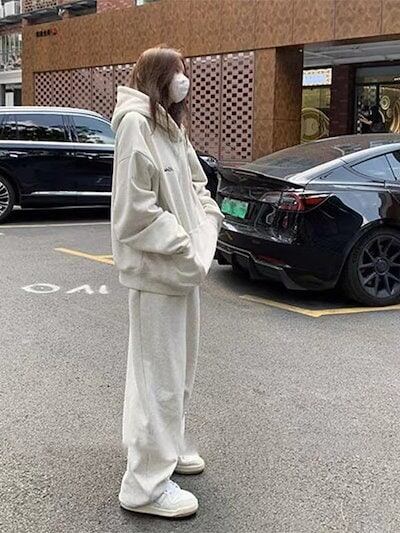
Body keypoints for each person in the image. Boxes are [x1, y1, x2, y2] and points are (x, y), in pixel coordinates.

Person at [110, 45, 223, 519]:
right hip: (158, 274)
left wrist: (206, 220)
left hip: (181, 272)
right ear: (158, 76)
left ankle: (166, 449)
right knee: (157, 379)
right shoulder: (136, 126)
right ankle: (144, 486)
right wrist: (185, 243)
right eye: (176, 73)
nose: (183, 81)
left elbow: (197, 184)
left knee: (176, 376)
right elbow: (133, 214)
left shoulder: (169, 127)